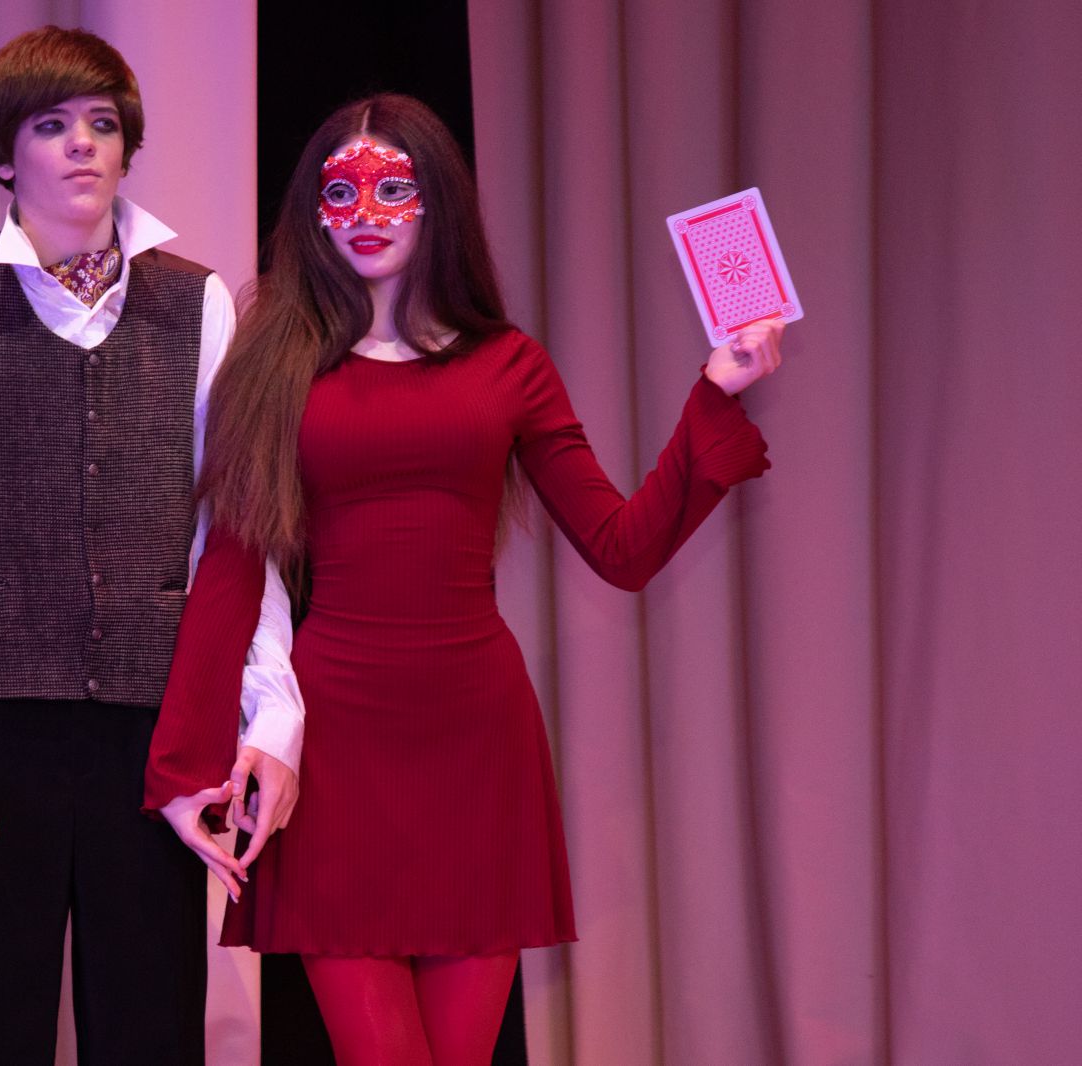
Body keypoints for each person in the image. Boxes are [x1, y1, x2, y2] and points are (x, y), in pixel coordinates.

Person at [147, 93, 782, 1066]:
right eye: (340, 192)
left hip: (477, 745)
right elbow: (230, 569)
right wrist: (185, 767)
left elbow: (620, 547)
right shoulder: (274, 365)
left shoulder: (508, 365)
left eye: (392, 189)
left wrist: (714, 395)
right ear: (313, 214)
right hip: (339, 753)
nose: (364, 213)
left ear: (437, 202)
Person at [0, 26, 303, 1065]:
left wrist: (271, 712)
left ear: (127, 147)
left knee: (151, 1028)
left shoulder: (196, 305)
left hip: (155, 725)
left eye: (101, 124)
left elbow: (238, 536)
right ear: (5, 158)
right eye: (51, 126)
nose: (83, 144)